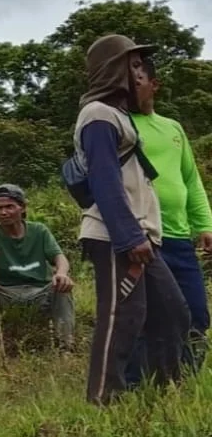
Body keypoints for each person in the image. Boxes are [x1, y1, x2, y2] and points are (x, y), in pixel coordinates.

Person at [74, 33, 189, 405]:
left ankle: (166, 391)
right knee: (121, 318)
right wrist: (129, 238)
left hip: (140, 236)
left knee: (172, 312)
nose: (141, 73)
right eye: (134, 64)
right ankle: (103, 400)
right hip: (115, 237)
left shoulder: (121, 116)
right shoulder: (97, 116)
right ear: (113, 69)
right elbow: (105, 182)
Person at [126, 58, 212, 380]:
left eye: (136, 81)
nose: (130, 88)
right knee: (146, 316)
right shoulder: (120, 124)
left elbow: (191, 180)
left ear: (154, 85)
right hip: (144, 237)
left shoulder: (173, 128)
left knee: (196, 314)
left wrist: (204, 225)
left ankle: (184, 381)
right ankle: (136, 387)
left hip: (178, 237)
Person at [0, 184, 75, 351]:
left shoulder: (39, 231)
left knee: (62, 284)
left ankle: (65, 348)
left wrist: (61, 273)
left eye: (9, 207)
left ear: (22, 208)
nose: (3, 212)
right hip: (5, 295)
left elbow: (60, 257)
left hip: (39, 294)